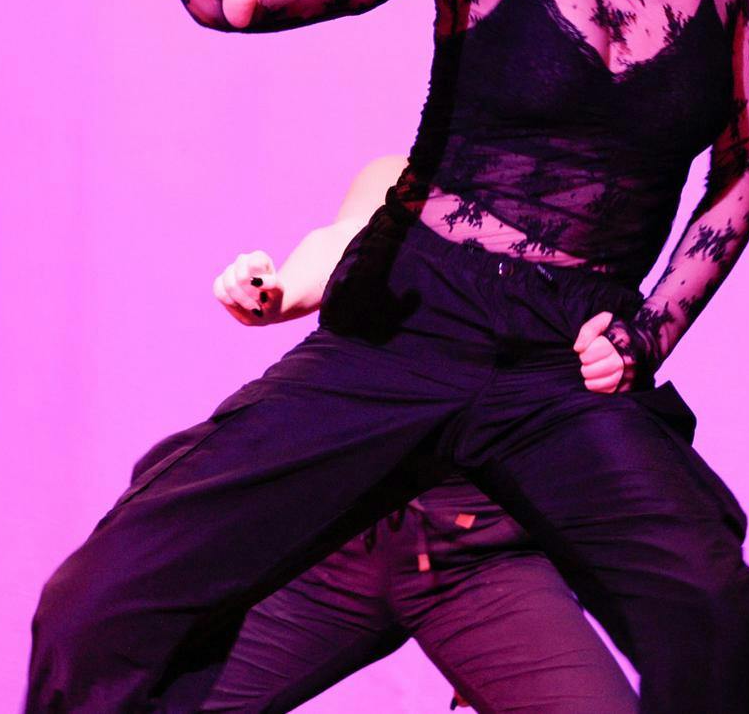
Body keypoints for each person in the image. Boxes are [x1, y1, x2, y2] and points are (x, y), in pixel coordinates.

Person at [29, 0, 749, 713]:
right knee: (103, 603)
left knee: (716, 628)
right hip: (409, 324)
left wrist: (649, 330)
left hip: (561, 365)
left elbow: (742, 168)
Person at [202, 153, 636, 714]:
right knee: (133, 686)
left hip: (480, 552)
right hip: (341, 529)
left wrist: (623, 355)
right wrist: (277, 291)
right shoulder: (405, 171)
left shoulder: (595, 200)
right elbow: (342, 241)